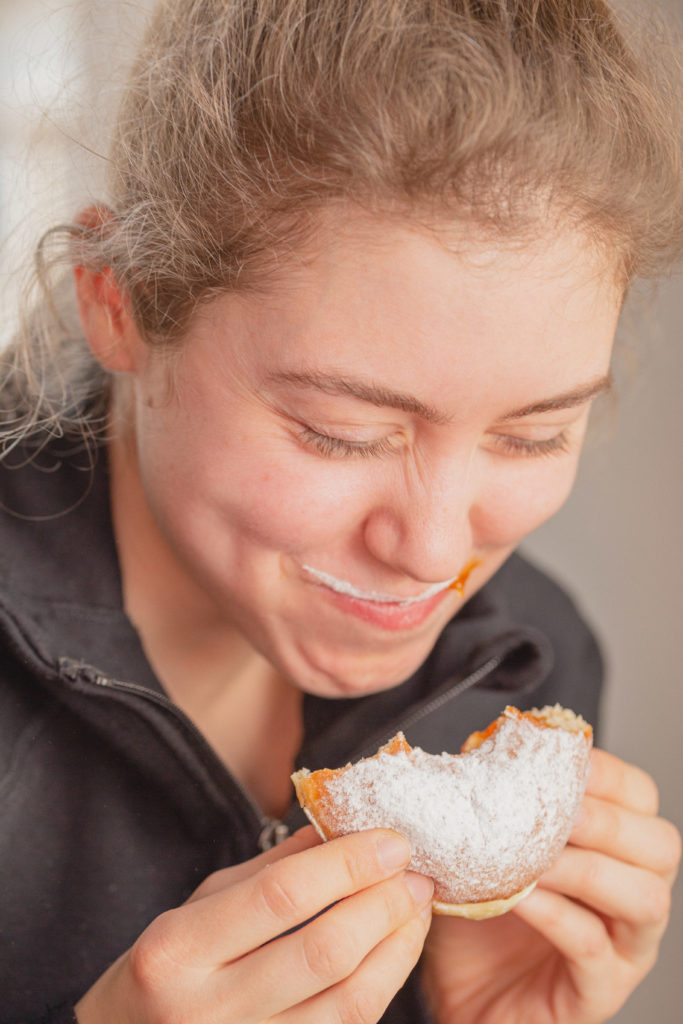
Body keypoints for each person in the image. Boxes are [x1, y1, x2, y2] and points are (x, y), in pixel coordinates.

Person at [1, 0, 681, 1021]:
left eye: (532, 435)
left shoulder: (526, 664)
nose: (436, 551)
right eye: (341, 432)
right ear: (120, 302)